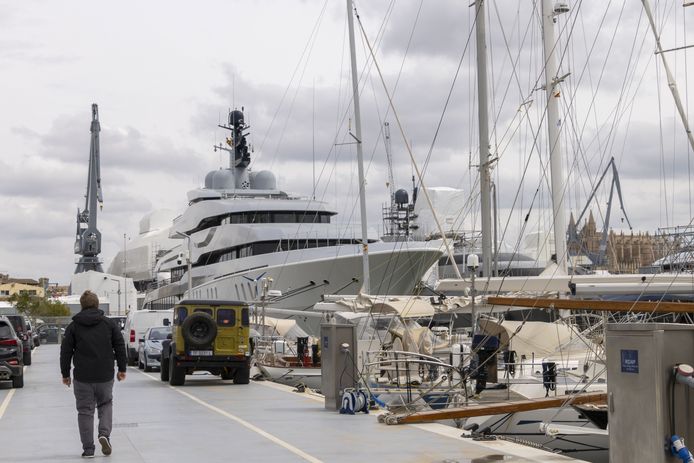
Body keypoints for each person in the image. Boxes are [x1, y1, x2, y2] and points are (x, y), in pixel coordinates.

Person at [60, 290, 127, 458]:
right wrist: (122, 369)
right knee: (105, 404)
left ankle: (88, 449)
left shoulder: (73, 326)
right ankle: (104, 434)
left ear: (82, 306)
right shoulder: (109, 324)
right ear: (97, 304)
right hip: (105, 375)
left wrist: (65, 374)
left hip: (83, 377)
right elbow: (119, 345)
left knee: (85, 411)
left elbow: (66, 351)